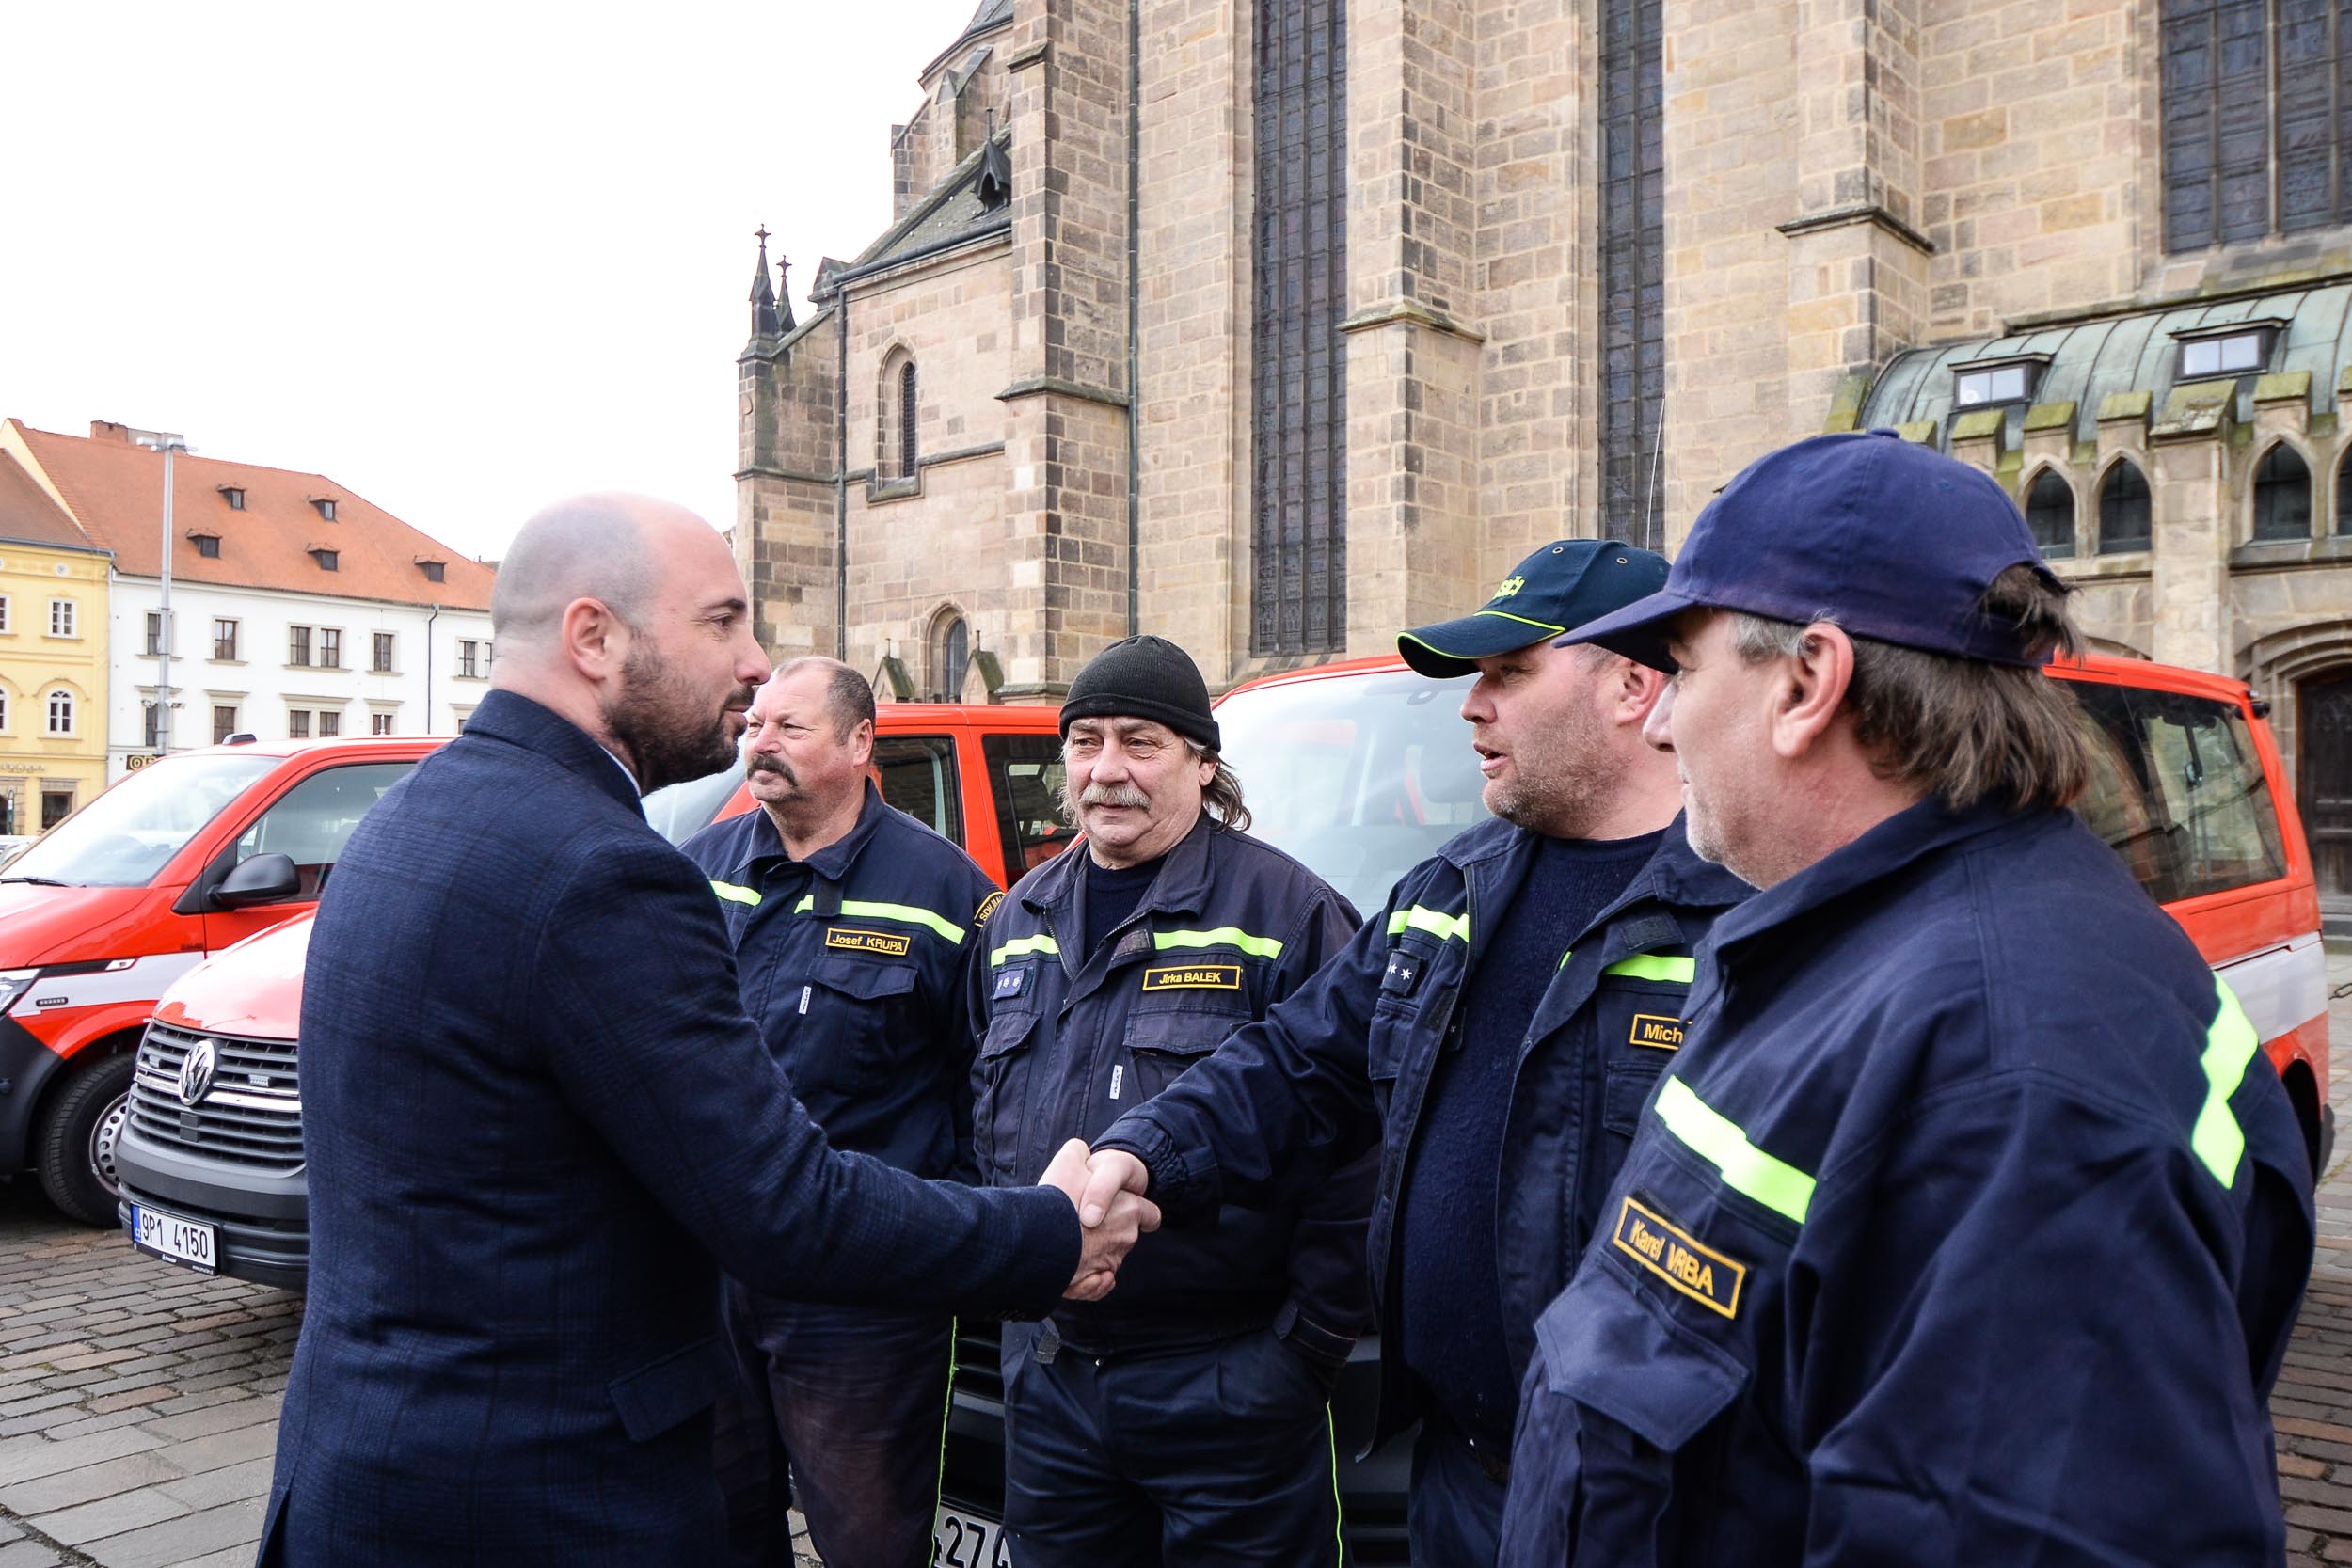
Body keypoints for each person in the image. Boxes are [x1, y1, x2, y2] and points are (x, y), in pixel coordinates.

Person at [258, 495, 1156, 1568]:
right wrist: (1048, 1234)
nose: (754, 664)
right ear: (595, 637)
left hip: (364, 1470)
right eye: (723, 621)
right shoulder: (606, 869)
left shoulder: (407, 818)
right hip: (538, 1498)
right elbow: (782, 1201)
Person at [1495, 430, 2315, 1565]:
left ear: (1807, 681)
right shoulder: (1878, 946)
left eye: (1681, 669)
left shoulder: (2007, 1074)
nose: (1661, 720)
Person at [1079, 541, 1752, 1563]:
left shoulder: (1743, 919)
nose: (1472, 707)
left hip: (1654, 1505)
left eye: (1509, 673)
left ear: (1632, 685)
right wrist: (1141, 1151)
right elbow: (1297, 1061)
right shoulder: (1452, 889)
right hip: (1459, 1474)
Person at [968, 634, 1371, 1568]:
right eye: (1085, 741)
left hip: (1226, 1381)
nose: (1107, 769)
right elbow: (978, 1111)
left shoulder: (1290, 914)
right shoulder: (1017, 917)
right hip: (1054, 1378)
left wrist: (1302, 1348)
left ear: (1202, 761)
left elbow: (1360, 1142)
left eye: (1140, 742)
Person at [679, 657, 998, 1568]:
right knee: (715, 1521)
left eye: (790, 727)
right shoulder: (695, 870)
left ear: (861, 742)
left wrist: (943, 1232)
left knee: (869, 1538)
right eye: (756, 725)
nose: (761, 743)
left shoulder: (946, 892)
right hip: (710, 1275)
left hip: (861, 1294)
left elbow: (989, 1083)